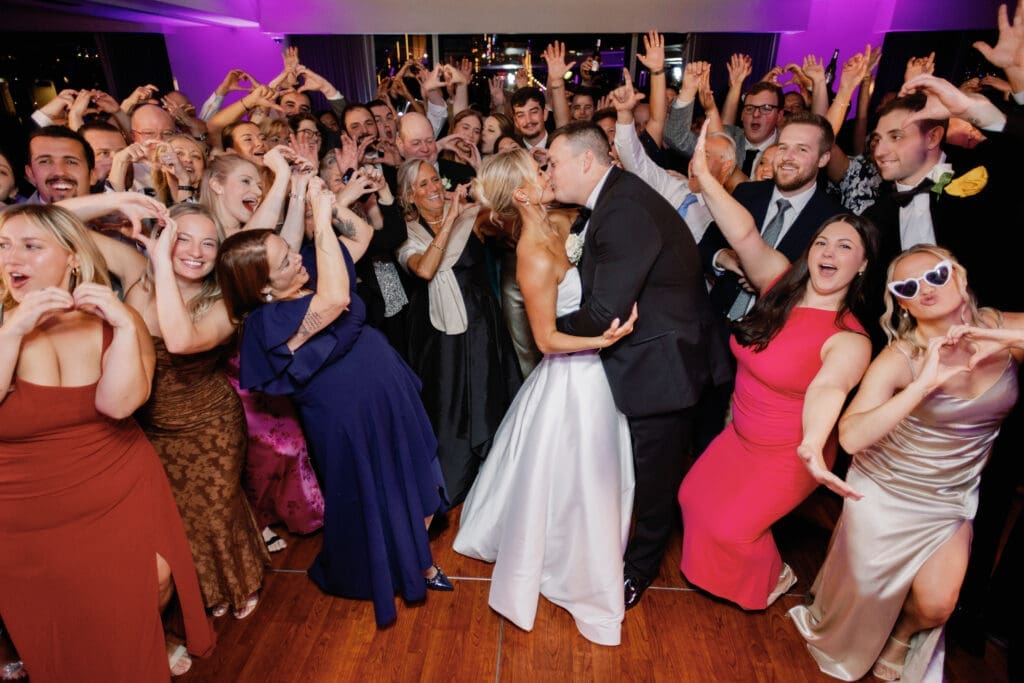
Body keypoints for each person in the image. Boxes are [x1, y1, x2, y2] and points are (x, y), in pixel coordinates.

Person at [217, 177, 451, 628]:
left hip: (386, 394)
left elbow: (361, 236)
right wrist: (322, 223)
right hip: (348, 418)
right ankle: (404, 568)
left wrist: (327, 202)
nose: (294, 257)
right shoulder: (268, 323)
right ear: (263, 285)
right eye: (283, 261)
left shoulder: (306, 270)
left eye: (290, 252)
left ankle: (415, 555)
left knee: (418, 479)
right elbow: (338, 298)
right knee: (374, 495)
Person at [0, 204, 214, 680]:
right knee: (59, 615)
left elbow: (120, 405)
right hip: (23, 501)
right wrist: (13, 330)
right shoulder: (1, 322)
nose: (13, 258)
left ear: (74, 258)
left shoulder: (115, 319)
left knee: (152, 578)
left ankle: (139, 650)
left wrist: (121, 325)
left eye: (32, 246)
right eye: (4, 245)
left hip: (114, 477)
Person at [790, 245, 1023, 681]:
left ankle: (901, 636)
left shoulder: (1002, 327)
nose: (926, 289)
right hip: (885, 487)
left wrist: (1003, 339)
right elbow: (852, 435)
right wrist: (922, 387)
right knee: (863, 596)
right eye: (909, 286)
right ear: (902, 303)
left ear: (960, 276)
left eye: (935, 275)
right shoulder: (901, 357)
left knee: (938, 603)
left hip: (949, 497)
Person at [677, 122, 877, 611]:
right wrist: (703, 175)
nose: (829, 253)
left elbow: (830, 387)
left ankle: (773, 576)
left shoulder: (850, 337)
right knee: (690, 499)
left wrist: (812, 442)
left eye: (845, 248)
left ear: (864, 265)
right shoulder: (780, 284)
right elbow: (743, 232)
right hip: (740, 435)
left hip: (790, 453)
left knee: (731, 529)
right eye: (823, 243)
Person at [454, 149, 637, 645]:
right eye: (539, 171)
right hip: (574, 371)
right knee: (580, 474)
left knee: (586, 474)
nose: (548, 172)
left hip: (591, 371)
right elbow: (545, 341)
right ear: (521, 193)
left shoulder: (558, 222)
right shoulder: (532, 251)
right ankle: (570, 561)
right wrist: (605, 340)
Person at [546, 121, 731, 609]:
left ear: (586, 161)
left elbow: (605, 312)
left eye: (553, 162)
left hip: (662, 363)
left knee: (656, 472)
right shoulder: (609, 200)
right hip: (647, 351)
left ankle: (640, 567)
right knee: (636, 464)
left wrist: (544, 323)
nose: (549, 171)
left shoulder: (621, 209)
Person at [126, 204, 270, 620]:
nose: (196, 250)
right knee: (181, 515)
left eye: (209, 243)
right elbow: (62, 227)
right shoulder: (139, 289)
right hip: (154, 424)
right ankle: (202, 590)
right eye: (182, 238)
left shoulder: (226, 302)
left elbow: (180, 342)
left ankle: (239, 583)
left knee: (217, 508)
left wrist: (161, 266)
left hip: (211, 425)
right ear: (163, 240)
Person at [396, 159, 522, 504]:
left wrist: (481, 195)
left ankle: (497, 473)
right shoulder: (404, 233)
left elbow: (511, 219)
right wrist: (449, 219)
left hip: (482, 327)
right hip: (437, 337)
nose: (433, 187)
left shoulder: (472, 218)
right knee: (449, 403)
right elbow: (424, 270)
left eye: (435, 179)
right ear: (409, 195)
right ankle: (456, 474)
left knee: (487, 393)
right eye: (422, 185)